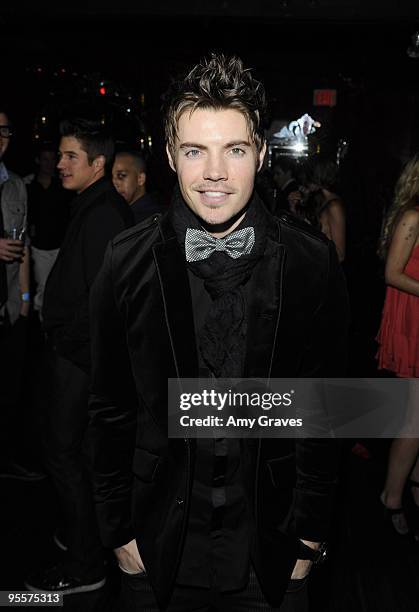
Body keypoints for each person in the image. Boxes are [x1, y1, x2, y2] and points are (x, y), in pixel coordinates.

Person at [89, 54, 349, 611]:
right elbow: (108, 407)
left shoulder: (311, 263)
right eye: (194, 150)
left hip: (271, 547)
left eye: (233, 149)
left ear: (259, 151)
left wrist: (309, 536)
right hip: (155, 542)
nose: (214, 172)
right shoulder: (124, 261)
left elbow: (325, 410)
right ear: (169, 156)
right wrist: (117, 531)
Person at [24, 118, 134, 594]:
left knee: (64, 454)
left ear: (98, 164)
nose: (60, 162)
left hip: (80, 360)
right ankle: (84, 538)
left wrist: (71, 349)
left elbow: (106, 303)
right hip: (76, 355)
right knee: (76, 456)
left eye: (72, 156)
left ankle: (86, 564)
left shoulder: (104, 212)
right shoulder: (90, 206)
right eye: (60, 153)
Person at [376, 156, 419, 537]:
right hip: (413, 323)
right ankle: (391, 496)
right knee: (414, 418)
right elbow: (392, 274)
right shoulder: (413, 215)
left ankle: (412, 486)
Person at [0, 109, 41, 481]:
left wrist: (26, 302)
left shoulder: (15, 185)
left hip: (10, 307)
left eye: (5, 130)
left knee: (9, 392)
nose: (0, 136)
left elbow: (22, 243)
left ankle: (6, 460)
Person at [26, 142, 71, 318]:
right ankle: (43, 325)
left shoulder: (64, 185)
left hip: (62, 245)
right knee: (43, 287)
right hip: (40, 247)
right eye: (45, 159)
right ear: (38, 160)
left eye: (52, 159)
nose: (49, 163)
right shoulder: (28, 185)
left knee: (62, 286)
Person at [298, 157, 346, 262]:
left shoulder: (334, 206)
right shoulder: (320, 199)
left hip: (326, 272)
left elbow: (340, 254)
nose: (304, 180)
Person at [112, 149, 163, 223]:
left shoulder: (153, 220)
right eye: (110, 177)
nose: (114, 182)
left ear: (140, 179)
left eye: (121, 176)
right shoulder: (116, 212)